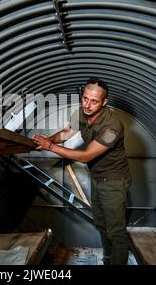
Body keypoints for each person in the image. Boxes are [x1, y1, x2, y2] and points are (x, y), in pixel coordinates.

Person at [32, 77, 131, 265]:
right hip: (97, 178)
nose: (87, 104)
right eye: (85, 98)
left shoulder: (113, 126)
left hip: (114, 181)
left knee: (116, 231)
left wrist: (50, 147)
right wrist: (46, 141)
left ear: (104, 102)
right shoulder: (81, 113)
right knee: (101, 225)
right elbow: (67, 132)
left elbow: (86, 156)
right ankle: (108, 260)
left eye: (94, 101)